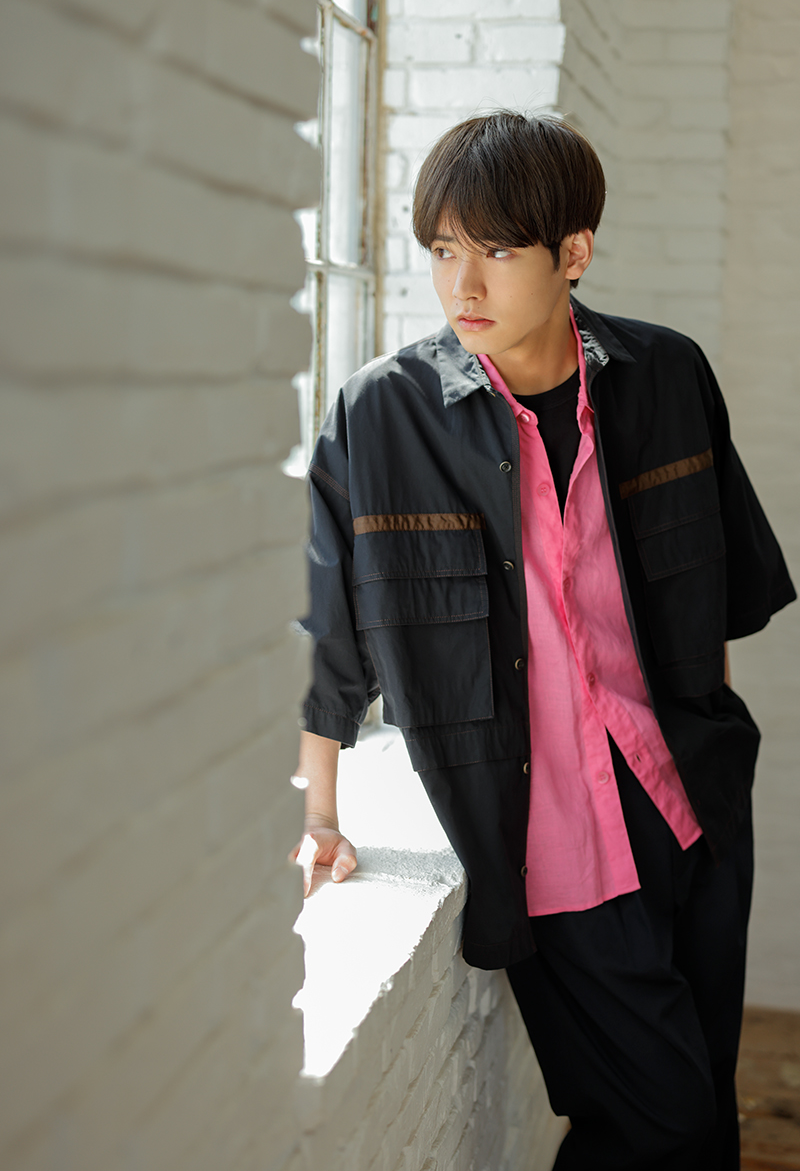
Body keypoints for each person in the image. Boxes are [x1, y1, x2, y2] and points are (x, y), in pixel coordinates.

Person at [292, 112, 796, 1170]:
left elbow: (716, 598)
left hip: (690, 810)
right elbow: (331, 640)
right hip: (550, 834)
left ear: (574, 251)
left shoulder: (665, 376)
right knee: (664, 1127)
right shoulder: (382, 416)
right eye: (442, 250)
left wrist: (708, 748)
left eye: (496, 250)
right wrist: (322, 814)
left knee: (698, 1112)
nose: (462, 283)